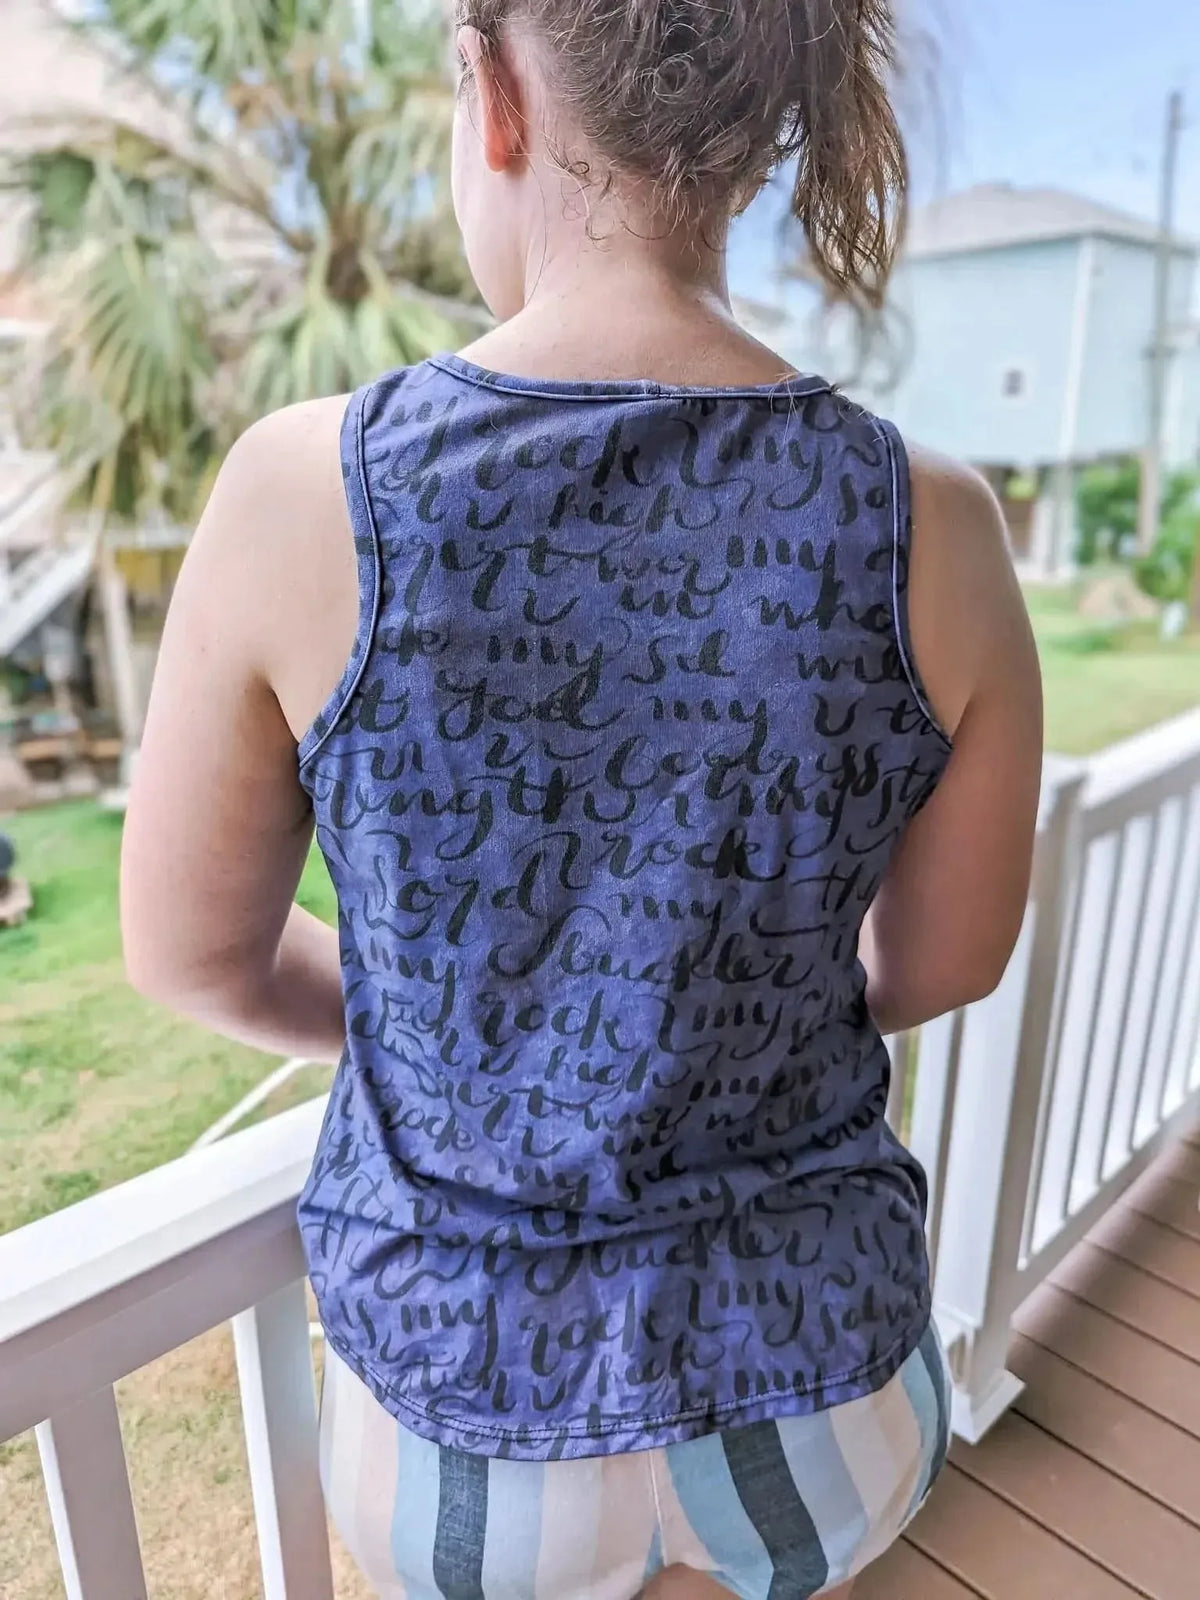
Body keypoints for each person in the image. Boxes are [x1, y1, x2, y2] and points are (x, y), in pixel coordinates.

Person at [120, 2, 1043, 1595]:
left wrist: (463, 1035)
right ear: (753, 139)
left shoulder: (303, 490)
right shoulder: (936, 525)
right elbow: (945, 964)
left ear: (493, 95)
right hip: (823, 1389)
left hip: (463, 1413)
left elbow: (193, 957)